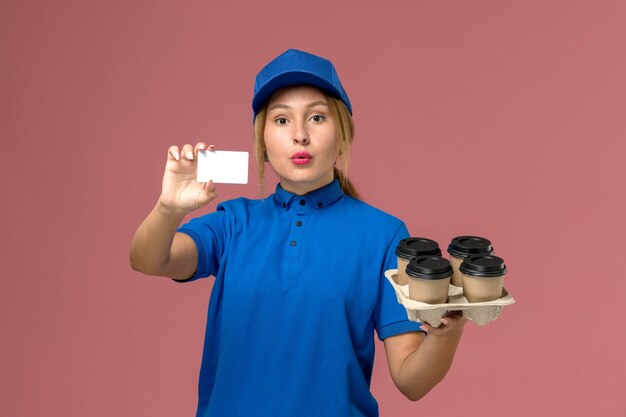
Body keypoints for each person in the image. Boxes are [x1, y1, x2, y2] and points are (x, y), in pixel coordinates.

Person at [130, 49, 467, 417]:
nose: (300, 135)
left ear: (342, 136)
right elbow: (149, 259)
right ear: (261, 144)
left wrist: (445, 332)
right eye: (281, 120)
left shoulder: (384, 235)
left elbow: (411, 381)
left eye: (317, 117)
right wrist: (169, 209)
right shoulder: (233, 223)